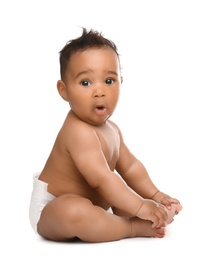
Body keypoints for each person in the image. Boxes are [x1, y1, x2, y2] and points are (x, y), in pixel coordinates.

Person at [29, 28, 182, 243]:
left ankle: (154, 215)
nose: (99, 91)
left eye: (109, 81)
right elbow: (102, 179)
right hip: (53, 209)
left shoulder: (113, 130)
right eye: (85, 83)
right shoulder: (77, 130)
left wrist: (154, 195)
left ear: (121, 82)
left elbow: (131, 168)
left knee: (130, 196)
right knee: (75, 211)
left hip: (98, 205)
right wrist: (139, 207)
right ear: (64, 90)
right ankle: (130, 227)